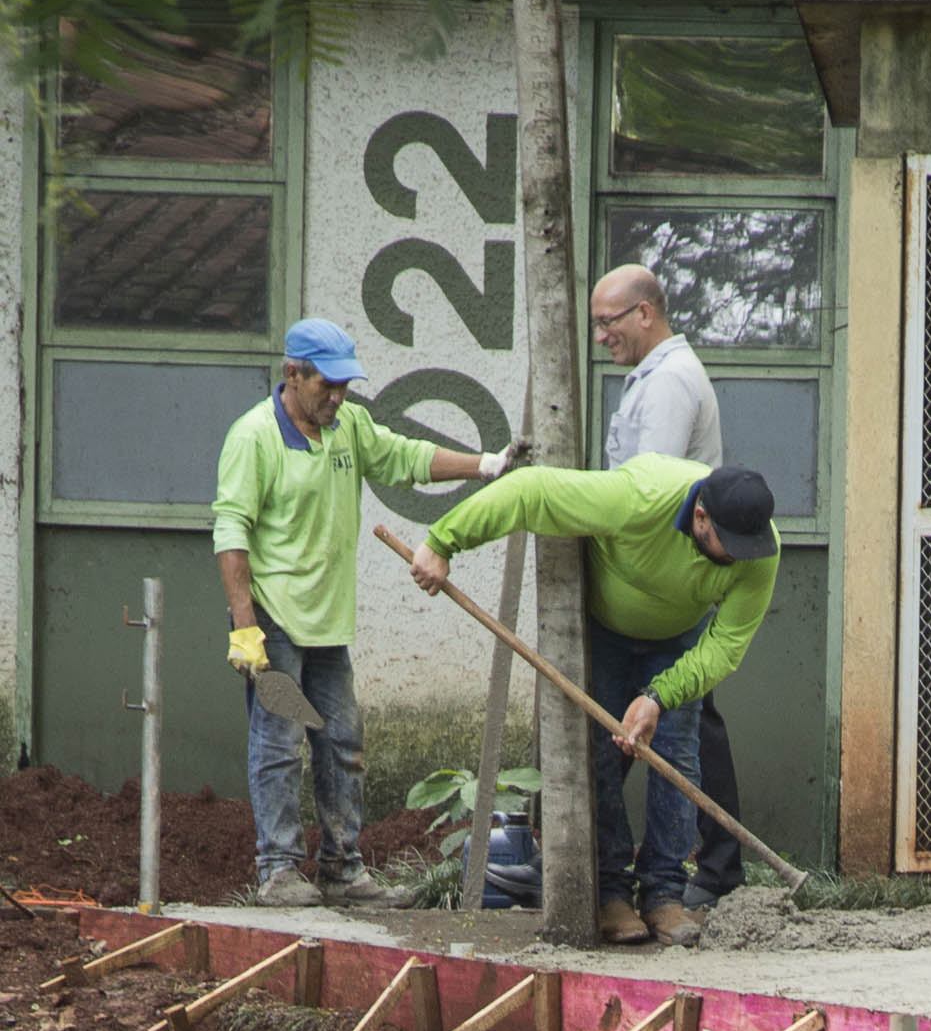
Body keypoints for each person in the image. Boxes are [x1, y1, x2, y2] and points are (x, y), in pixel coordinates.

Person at [409, 455, 780, 948]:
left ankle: (665, 894)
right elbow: (530, 490)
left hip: (679, 637)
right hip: (602, 628)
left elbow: (725, 648)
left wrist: (657, 696)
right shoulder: (640, 496)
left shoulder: (758, 549)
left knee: (677, 754)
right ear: (700, 516)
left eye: (743, 549)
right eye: (724, 546)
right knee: (600, 756)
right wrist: (442, 541)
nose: (735, 558)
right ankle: (610, 893)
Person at [214, 318, 518, 908]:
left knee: (344, 742)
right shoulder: (253, 438)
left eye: (344, 387)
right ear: (292, 375)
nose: (337, 397)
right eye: (326, 386)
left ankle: (342, 870)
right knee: (279, 743)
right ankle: (277, 870)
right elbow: (232, 533)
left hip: (327, 622)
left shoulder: (348, 425)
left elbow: (405, 458)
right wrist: (245, 625)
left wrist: (485, 466)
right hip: (272, 620)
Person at [591, 263, 746, 916]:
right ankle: (615, 885)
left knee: (670, 736)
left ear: (644, 314)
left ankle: (664, 885)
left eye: (608, 322)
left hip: (660, 592)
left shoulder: (671, 384)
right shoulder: (652, 379)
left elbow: (642, 494)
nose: (601, 335)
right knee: (619, 734)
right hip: (634, 588)